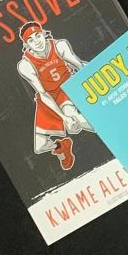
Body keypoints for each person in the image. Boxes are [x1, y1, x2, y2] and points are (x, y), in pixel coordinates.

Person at [16, 22, 93, 172]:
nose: (36, 41)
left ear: (44, 34)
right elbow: (43, 94)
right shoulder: (25, 65)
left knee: (74, 118)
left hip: (66, 88)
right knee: (40, 146)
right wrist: (64, 118)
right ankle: (63, 146)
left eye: (37, 35)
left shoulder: (59, 45)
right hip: (48, 98)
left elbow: (79, 66)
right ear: (26, 45)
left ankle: (109, 129)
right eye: (31, 40)